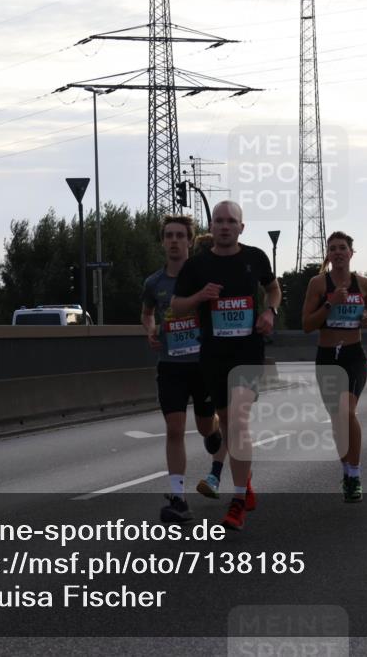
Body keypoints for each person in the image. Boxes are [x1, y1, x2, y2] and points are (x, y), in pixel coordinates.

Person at [172, 201, 281, 531]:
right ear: (212, 226)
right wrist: (199, 298)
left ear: (241, 228)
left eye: (231, 221)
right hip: (214, 355)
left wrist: (269, 312)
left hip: (247, 351)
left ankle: (236, 502)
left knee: (237, 418)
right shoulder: (197, 266)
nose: (224, 226)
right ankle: (243, 483)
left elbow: (272, 289)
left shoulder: (255, 257)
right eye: (218, 220)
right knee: (229, 423)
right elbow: (177, 307)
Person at [141, 216, 222, 523]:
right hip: (171, 365)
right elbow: (147, 312)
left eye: (180, 236)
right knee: (174, 429)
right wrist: (149, 329)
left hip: (202, 364)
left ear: (190, 241)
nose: (174, 241)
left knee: (204, 427)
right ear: (162, 242)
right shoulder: (153, 283)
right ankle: (179, 498)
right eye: (168, 236)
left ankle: (214, 432)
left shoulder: (203, 277)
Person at [302, 231, 367, 503]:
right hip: (326, 357)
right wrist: (329, 304)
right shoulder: (317, 283)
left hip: (353, 355)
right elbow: (307, 324)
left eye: (342, 248)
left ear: (351, 253)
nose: (337, 252)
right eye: (332, 248)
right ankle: (346, 471)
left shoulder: (364, 282)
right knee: (337, 420)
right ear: (328, 254)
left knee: (347, 411)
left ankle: (355, 475)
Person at [190, 232, 230, 499]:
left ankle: (215, 475)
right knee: (208, 426)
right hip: (199, 359)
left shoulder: (232, 279)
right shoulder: (189, 283)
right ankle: (213, 428)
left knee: (233, 419)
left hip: (230, 358)